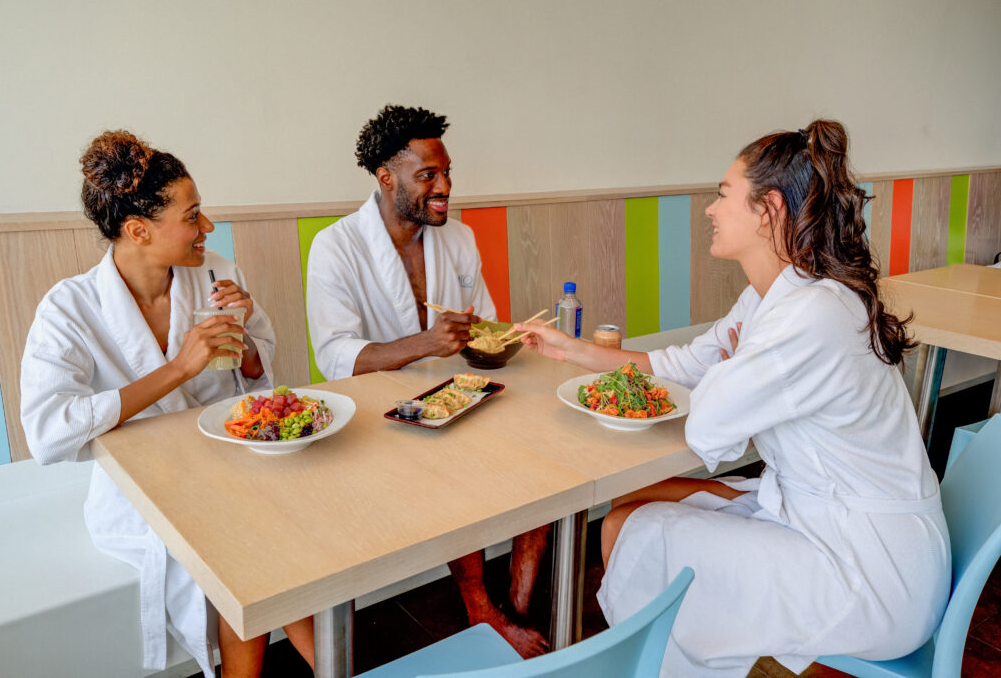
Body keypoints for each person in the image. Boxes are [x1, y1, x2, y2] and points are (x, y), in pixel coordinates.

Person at [516, 120, 950, 676]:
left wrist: (735, 367)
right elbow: (682, 367)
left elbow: (709, 425)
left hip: (869, 566)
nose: (710, 210)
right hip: (818, 510)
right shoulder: (774, 295)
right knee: (632, 506)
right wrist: (568, 350)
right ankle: (671, 657)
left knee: (638, 530)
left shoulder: (814, 314)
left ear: (768, 208)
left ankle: (663, 663)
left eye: (723, 195)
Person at [20, 130, 314, 678]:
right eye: (193, 215)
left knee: (282, 529)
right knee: (261, 539)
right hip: (143, 483)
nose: (208, 228)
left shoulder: (215, 271)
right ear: (138, 230)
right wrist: (179, 367)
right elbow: (48, 433)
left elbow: (256, 374)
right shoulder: (69, 309)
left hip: (226, 458)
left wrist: (245, 336)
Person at [306, 104, 550, 657]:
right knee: (454, 467)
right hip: (383, 418)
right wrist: (427, 345)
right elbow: (334, 356)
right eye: (428, 176)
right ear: (385, 177)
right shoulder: (336, 247)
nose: (444, 188)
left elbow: (483, 324)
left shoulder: (458, 239)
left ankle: (519, 601)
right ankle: (481, 611)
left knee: (543, 450)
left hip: (460, 393)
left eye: (446, 173)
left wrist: (508, 341)